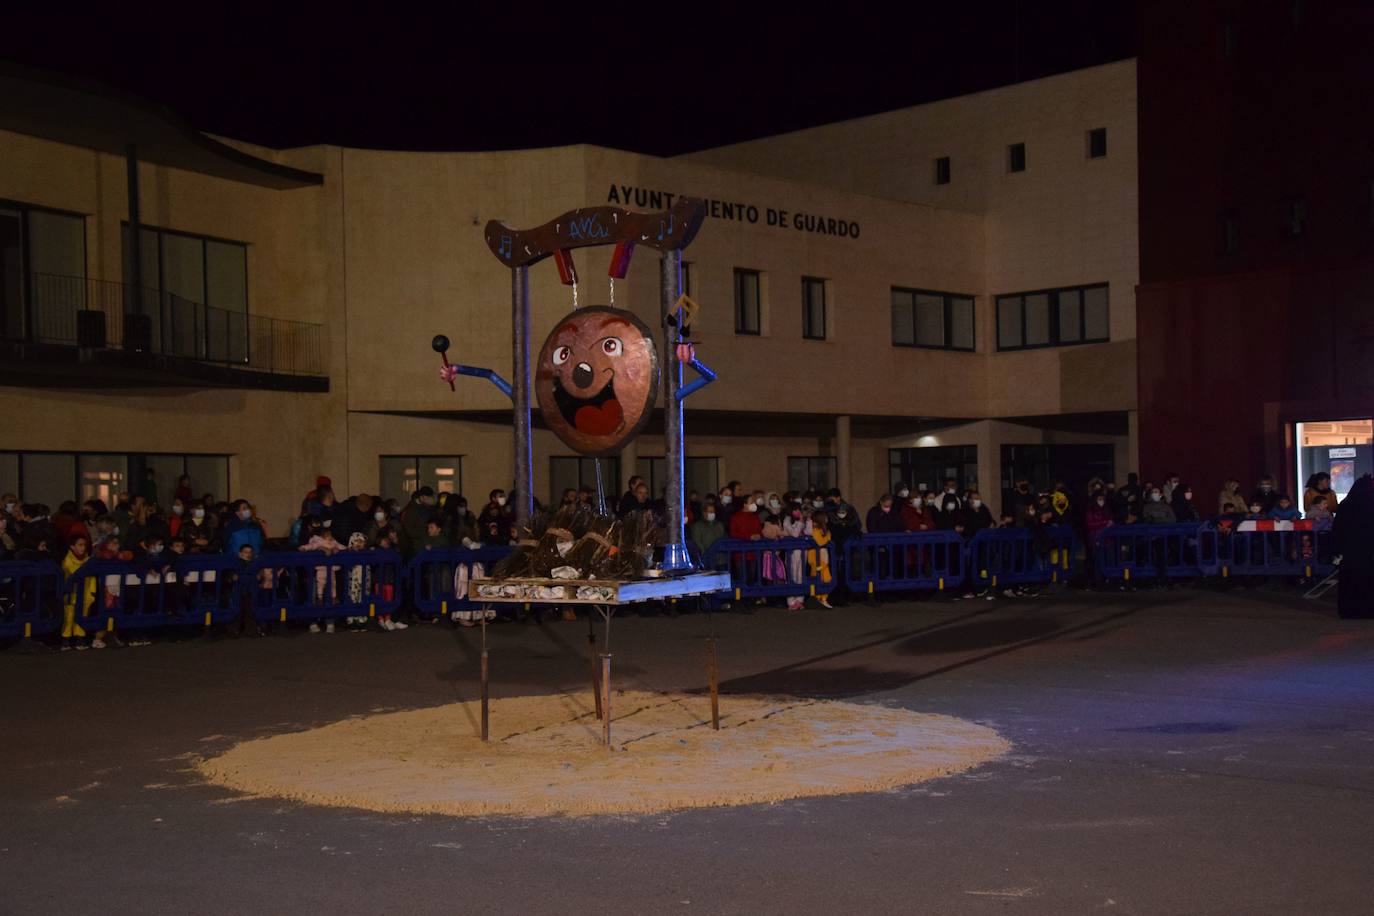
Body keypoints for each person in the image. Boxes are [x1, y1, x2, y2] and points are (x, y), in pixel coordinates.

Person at [1332, 474, 1374, 618]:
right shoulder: (1371, 504)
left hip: (1349, 550)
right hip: (1368, 550)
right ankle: (1367, 610)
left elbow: (1337, 528)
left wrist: (1337, 549)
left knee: (1349, 581)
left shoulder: (1346, 504)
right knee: (1367, 580)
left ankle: (1348, 610)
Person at [60, 533, 95, 651]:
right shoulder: (67, 561)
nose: (82, 548)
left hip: (85, 594)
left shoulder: (88, 560)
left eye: (84, 545)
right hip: (72, 595)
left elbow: (92, 578)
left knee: (83, 615)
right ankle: (66, 639)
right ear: (72, 546)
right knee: (69, 617)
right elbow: (75, 574)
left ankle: (80, 639)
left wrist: (92, 592)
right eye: (79, 545)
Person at [807, 510, 834, 608]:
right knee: (819, 578)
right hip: (815, 558)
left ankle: (823, 598)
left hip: (823, 556)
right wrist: (827, 536)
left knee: (827, 578)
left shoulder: (824, 530)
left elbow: (828, 540)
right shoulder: (815, 530)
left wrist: (827, 535)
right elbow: (819, 542)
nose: (827, 519)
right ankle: (818, 598)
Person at [399, 487, 436, 556]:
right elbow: (409, 531)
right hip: (415, 548)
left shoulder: (424, 508)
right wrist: (426, 531)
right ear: (422, 497)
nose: (432, 499)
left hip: (422, 544)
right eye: (430, 497)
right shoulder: (412, 510)